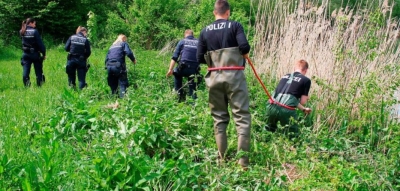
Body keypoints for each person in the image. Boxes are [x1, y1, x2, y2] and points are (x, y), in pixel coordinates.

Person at [197, 0, 251, 168]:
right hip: (234, 76)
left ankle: (222, 159)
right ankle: (243, 163)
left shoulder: (205, 31)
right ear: (227, 12)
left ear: (215, 13)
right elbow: (244, 46)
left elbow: (199, 58)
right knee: (242, 118)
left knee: (219, 119)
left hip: (214, 78)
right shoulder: (235, 25)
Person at [265, 59, 312, 137]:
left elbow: (287, 97)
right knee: (293, 136)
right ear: (306, 70)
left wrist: (303, 109)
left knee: (268, 131)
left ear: (295, 68)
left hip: (271, 106)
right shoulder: (306, 80)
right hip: (286, 110)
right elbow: (302, 101)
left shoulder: (285, 76)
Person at [166, 29, 200, 102]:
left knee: (177, 74)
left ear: (185, 35)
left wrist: (170, 69)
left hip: (183, 68)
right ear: (192, 35)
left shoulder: (182, 41)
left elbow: (175, 57)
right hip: (194, 70)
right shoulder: (199, 42)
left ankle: (179, 96)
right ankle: (193, 102)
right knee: (192, 85)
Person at [20, 18, 46, 87]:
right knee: (38, 71)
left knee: (25, 72)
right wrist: (43, 53)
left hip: (25, 54)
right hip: (34, 54)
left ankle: (27, 85)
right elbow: (40, 44)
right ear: (30, 23)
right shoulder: (35, 31)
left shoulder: (22, 31)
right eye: (34, 23)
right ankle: (39, 85)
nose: (35, 25)